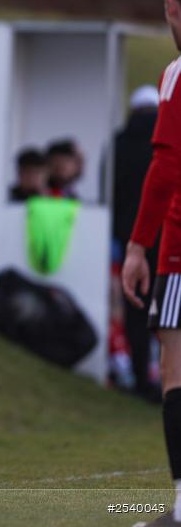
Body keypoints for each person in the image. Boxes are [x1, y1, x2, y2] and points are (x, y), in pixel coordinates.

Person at [122, 0, 181, 523]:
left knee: (176, 366)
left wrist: (138, 247)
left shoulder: (177, 73)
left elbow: (165, 167)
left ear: (171, 7)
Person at [113, 85, 161, 401]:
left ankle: (141, 376)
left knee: (136, 311)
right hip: (163, 239)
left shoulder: (118, 144)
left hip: (128, 241)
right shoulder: (165, 144)